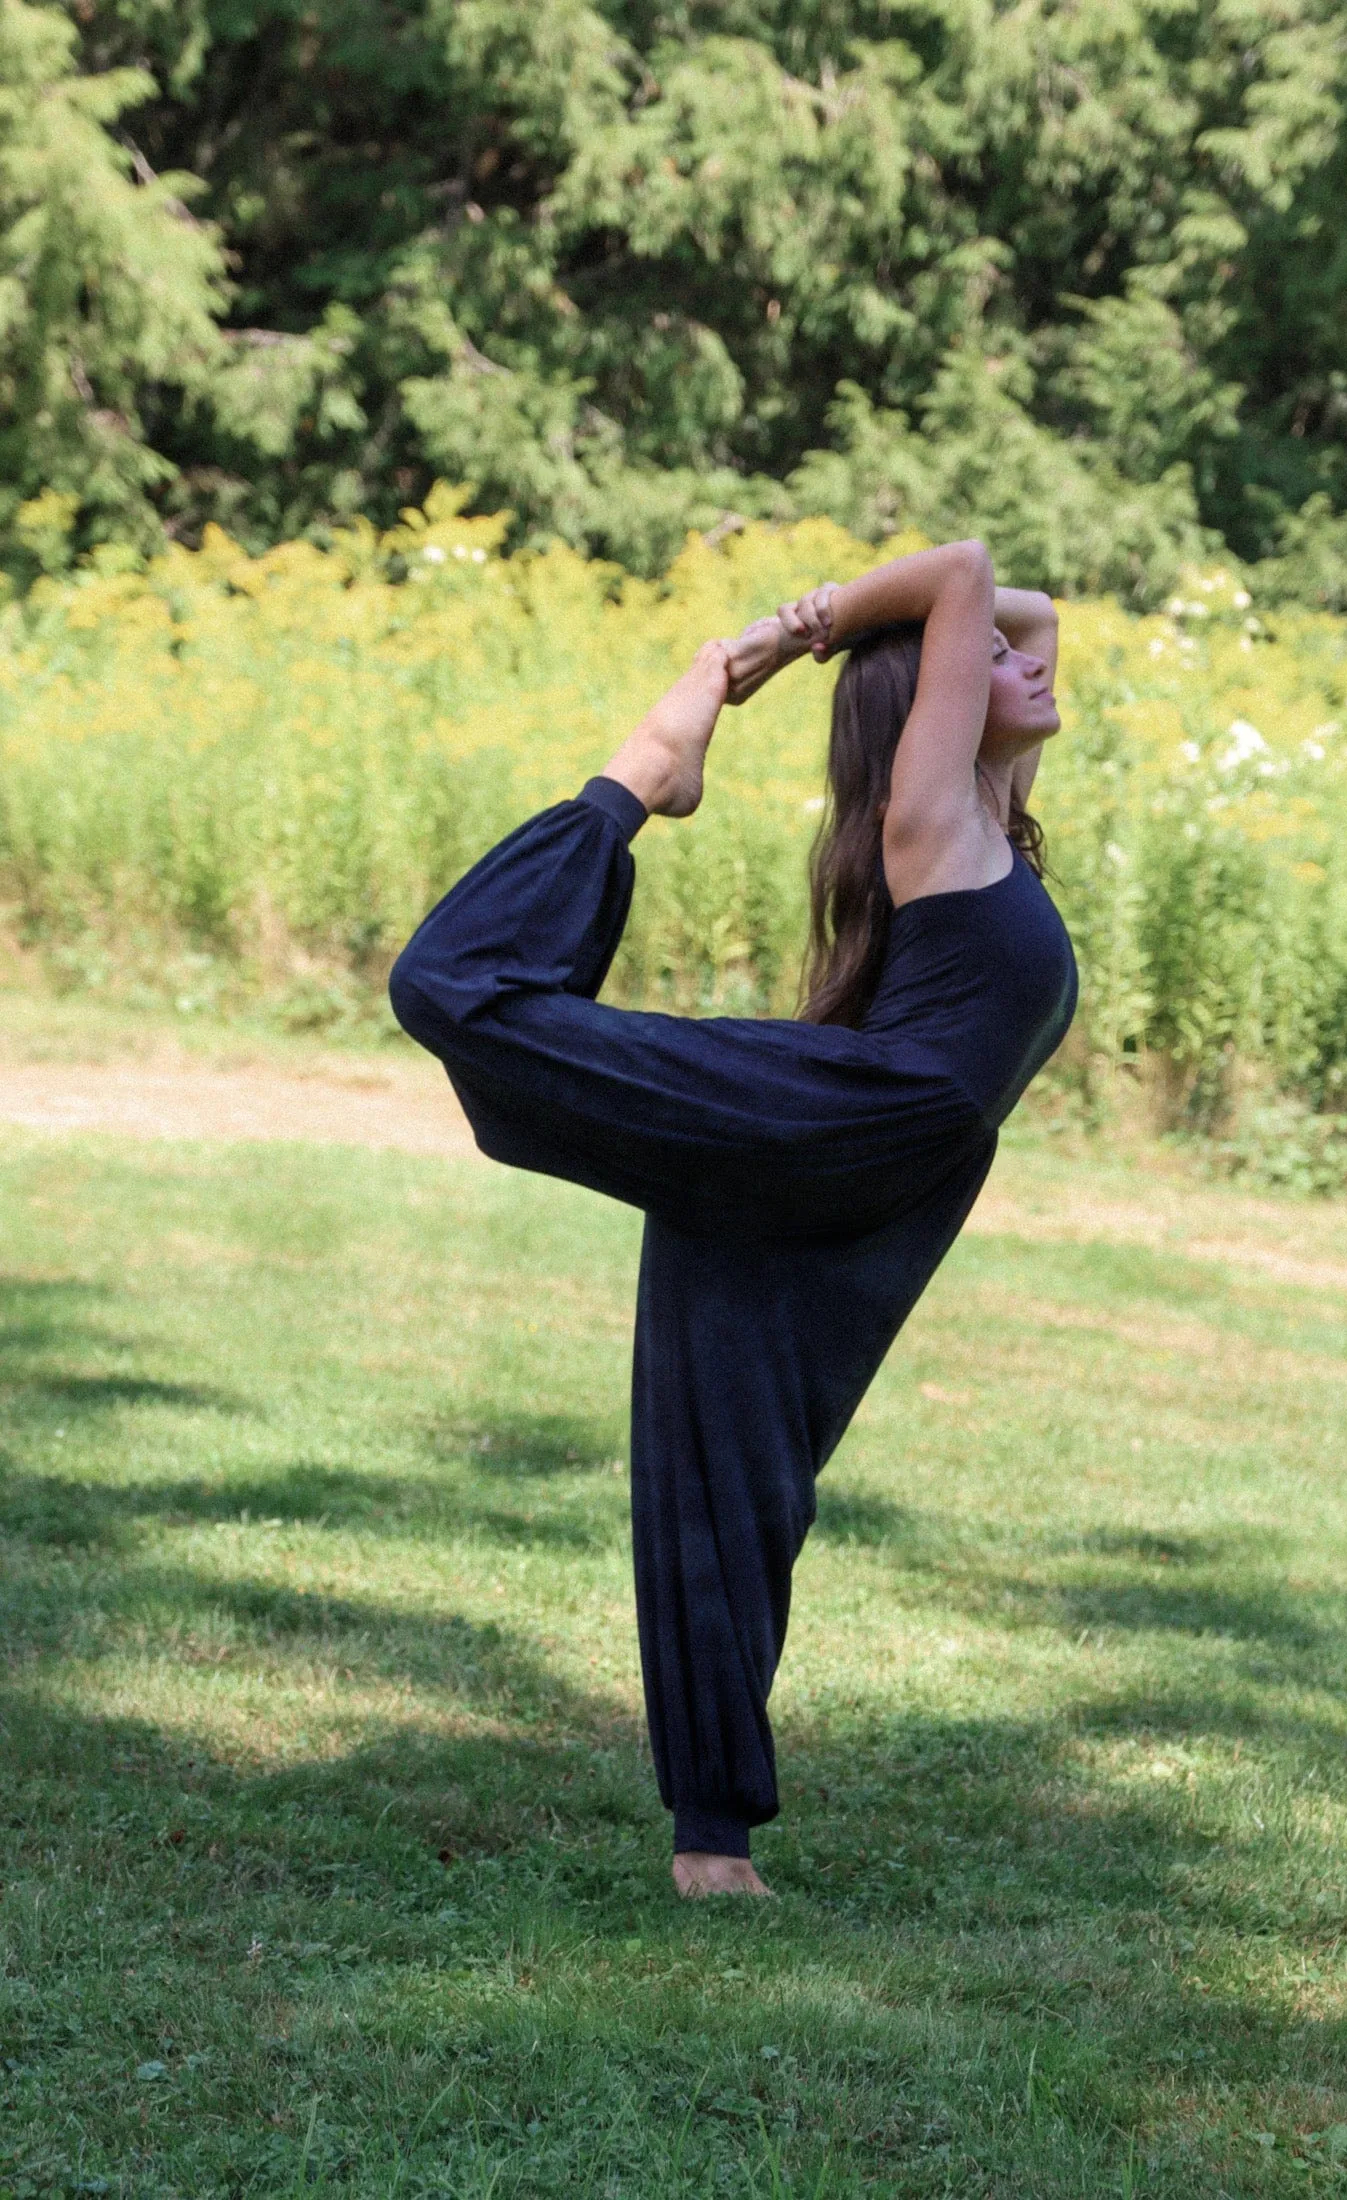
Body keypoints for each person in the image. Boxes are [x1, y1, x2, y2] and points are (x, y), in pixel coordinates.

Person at [389, 540, 1076, 1897]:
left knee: (743, 1475)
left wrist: (875, 645)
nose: (1030, 659)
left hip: (875, 1168)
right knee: (451, 985)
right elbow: (962, 571)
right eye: (990, 664)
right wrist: (787, 637)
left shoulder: (986, 801)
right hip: (836, 1123)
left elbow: (1025, 604)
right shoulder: (929, 814)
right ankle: (639, 779)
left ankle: (713, 1845)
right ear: (928, 712)